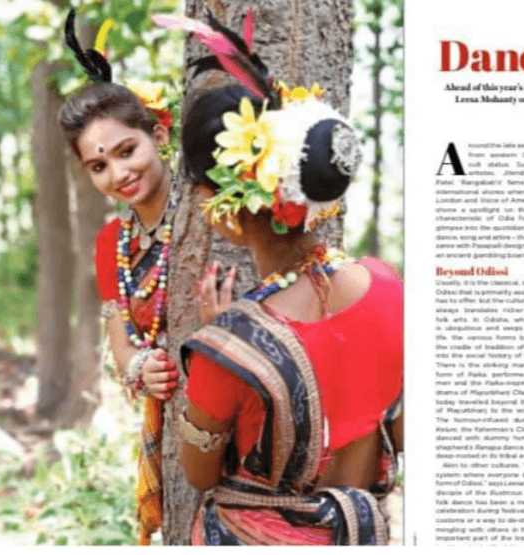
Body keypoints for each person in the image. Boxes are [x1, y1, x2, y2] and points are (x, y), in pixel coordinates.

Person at [159, 10, 403, 546]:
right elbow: (400, 431)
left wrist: (224, 339)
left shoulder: (230, 349)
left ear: (221, 209)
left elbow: (198, 473)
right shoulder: (390, 289)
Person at [58, 9, 196, 545]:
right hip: (172, 424)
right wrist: (140, 367)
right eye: (98, 166)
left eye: (127, 151)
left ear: (158, 134)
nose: (118, 174)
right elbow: (120, 340)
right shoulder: (111, 244)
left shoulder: (203, 212)